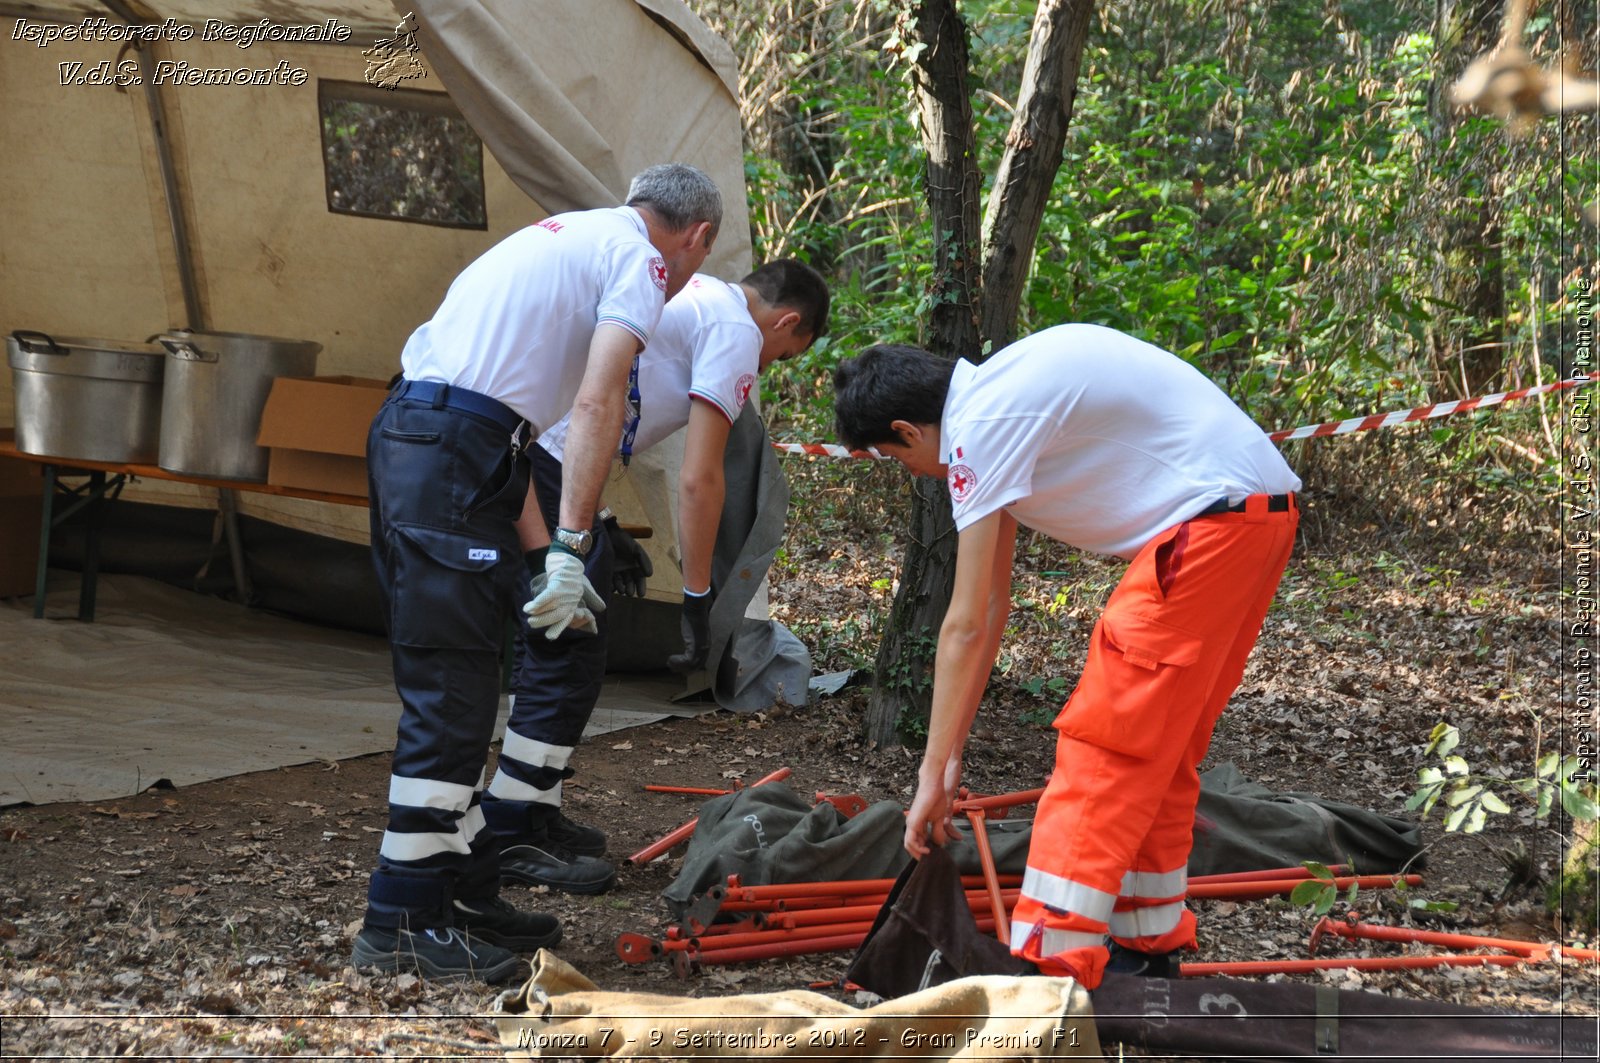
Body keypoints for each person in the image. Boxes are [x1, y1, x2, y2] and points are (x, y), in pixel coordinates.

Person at [832, 325, 1301, 989]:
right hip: (1256, 521)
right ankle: (1147, 942)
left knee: (1104, 747)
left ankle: (1049, 967)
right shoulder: (1000, 397)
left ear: (909, 430)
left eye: (894, 456)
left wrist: (932, 774)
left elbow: (965, 623)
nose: (911, 472)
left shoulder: (982, 426)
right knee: (1158, 751)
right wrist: (946, 764)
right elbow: (991, 604)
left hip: (1210, 529)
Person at [352, 164, 722, 983]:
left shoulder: (568, 234)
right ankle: (401, 920)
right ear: (696, 237)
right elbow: (597, 405)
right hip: (447, 450)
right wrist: (572, 545)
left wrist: (537, 552)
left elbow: (504, 424)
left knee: (469, 681)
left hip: (440, 439)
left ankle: (461, 891)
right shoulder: (641, 260)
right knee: (451, 689)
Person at [480, 260, 831, 894]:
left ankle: (533, 809)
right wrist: (698, 595)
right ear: (786, 321)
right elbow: (701, 478)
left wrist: (603, 517)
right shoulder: (736, 328)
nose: (768, 362)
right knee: (568, 647)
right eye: (784, 352)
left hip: (544, 458)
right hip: (546, 465)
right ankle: (507, 828)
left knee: (563, 644)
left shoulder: (698, 295)